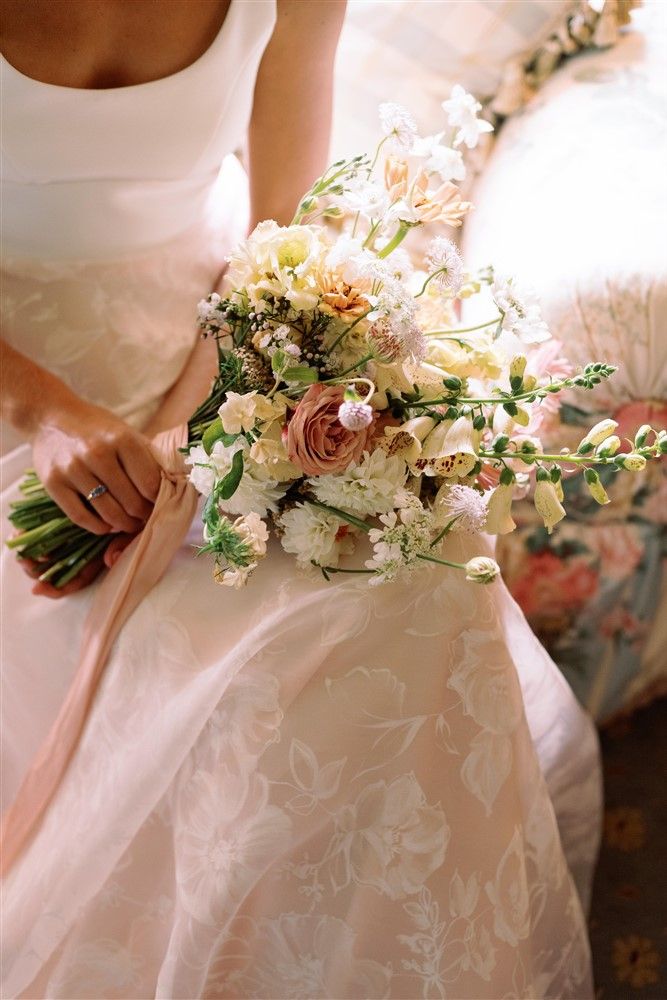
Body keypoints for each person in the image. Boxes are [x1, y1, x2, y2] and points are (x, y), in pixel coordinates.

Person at [0, 2, 600, 996]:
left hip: (202, 337)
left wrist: (198, 421)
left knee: (419, 587)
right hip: (17, 374)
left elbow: (284, 220)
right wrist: (50, 412)